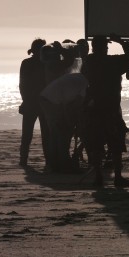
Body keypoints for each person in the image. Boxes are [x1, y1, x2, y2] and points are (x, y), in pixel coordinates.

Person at [82, 34, 129, 187]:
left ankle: (99, 176)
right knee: (116, 145)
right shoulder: (112, 62)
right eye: (105, 47)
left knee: (97, 144)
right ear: (104, 48)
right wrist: (121, 42)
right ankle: (118, 177)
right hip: (111, 108)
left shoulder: (89, 62)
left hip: (95, 108)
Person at [39, 45, 87, 173]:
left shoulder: (77, 78)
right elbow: (74, 104)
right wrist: (70, 119)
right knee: (61, 131)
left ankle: (56, 163)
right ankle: (61, 163)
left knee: (56, 132)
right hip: (51, 101)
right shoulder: (83, 84)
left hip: (48, 98)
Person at [18, 38, 48, 166]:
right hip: (41, 102)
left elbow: (22, 84)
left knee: (28, 134)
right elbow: (23, 84)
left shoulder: (27, 63)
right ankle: (48, 160)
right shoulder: (45, 63)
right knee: (45, 134)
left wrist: (25, 99)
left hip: (33, 101)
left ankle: (23, 159)